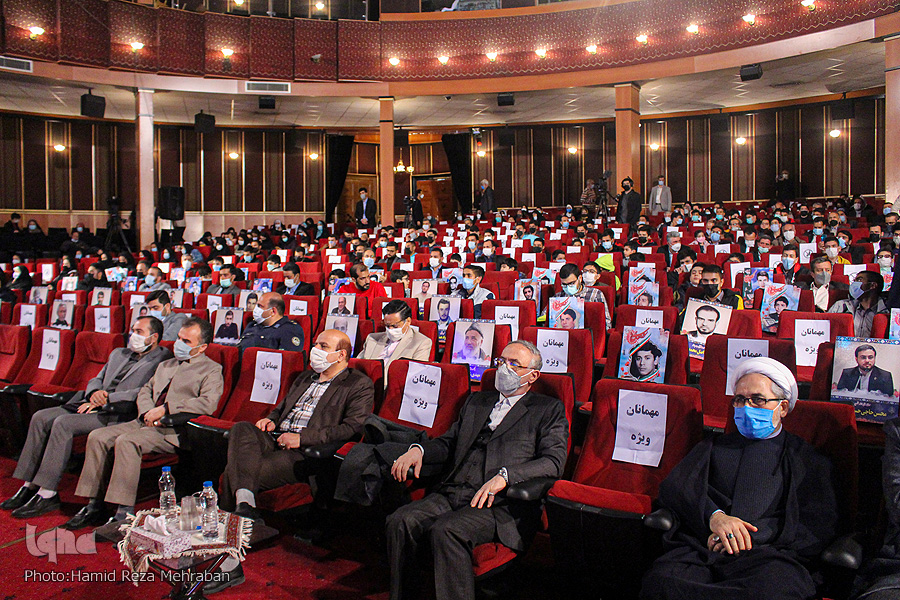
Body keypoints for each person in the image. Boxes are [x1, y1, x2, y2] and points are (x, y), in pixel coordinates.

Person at [640, 358, 837, 600]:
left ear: (783, 408)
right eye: (740, 400)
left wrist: (744, 536)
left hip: (769, 556)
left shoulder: (806, 459)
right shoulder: (714, 446)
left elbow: (816, 524)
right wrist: (715, 517)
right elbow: (678, 488)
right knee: (663, 582)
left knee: (771, 592)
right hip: (704, 547)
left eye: (758, 399)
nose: (747, 407)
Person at [386, 340, 568, 600]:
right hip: (453, 491)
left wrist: (506, 477)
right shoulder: (477, 401)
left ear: (533, 375)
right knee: (400, 520)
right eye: (502, 361)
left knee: (446, 531)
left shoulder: (547, 409)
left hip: (499, 504)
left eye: (514, 364)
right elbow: (450, 442)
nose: (504, 368)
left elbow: (553, 462)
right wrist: (420, 450)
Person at [210, 329, 374, 592]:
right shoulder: (305, 378)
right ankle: (246, 509)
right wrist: (271, 419)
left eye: (323, 345)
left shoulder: (357, 384)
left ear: (341, 354)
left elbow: (353, 428)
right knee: (241, 428)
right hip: (273, 437)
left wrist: (303, 438)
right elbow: (282, 407)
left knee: (235, 471)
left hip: (302, 452)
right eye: (316, 343)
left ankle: (231, 547)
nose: (315, 349)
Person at [1, 317, 170, 519]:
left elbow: (145, 391)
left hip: (118, 411)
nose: (133, 335)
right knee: (40, 417)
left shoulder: (162, 360)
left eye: (139, 331)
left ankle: (47, 493)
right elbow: (97, 378)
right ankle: (29, 485)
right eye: (132, 329)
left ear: (154, 337)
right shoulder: (119, 353)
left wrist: (106, 398)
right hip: (91, 401)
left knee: (63, 423)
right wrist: (94, 393)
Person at [66, 318, 224, 529]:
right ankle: (94, 504)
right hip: (145, 421)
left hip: (173, 429)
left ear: (202, 346)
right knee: (98, 436)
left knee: (127, 441)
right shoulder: (166, 364)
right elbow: (146, 390)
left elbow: (207, 403)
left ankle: (123, 511)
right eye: (178, 338)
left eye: (186, 341)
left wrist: (166, 409)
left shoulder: (211, 369)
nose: (178, 344)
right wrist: (147, 411)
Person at [358, 300, 432, 386]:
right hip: (362, 386)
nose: (391, 330)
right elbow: (358, 365)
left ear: (408, 321)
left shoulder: (421, 343)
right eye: (387, 326)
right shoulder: (372, 339)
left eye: (395, 326)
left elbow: (414, 377)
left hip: (391, 389)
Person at [239, 292, 305, 353]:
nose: (255, 309)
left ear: (273, 311)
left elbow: (286, 360)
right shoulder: (252, 325)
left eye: (260, 306)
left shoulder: (290, 330)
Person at [829, 271, 888, 338]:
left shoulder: (887, 311)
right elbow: (826, 329)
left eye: (859, 280)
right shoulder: (841, 305)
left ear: (872, 285)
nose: (854, 284)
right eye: (854, 281)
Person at [556, 263, 611, 329]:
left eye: (572, 283)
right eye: (564, 284)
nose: (568, 287)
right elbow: (544, 316)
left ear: (580, 278)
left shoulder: (595, 293)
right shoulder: (558, 297)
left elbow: (606, 321)